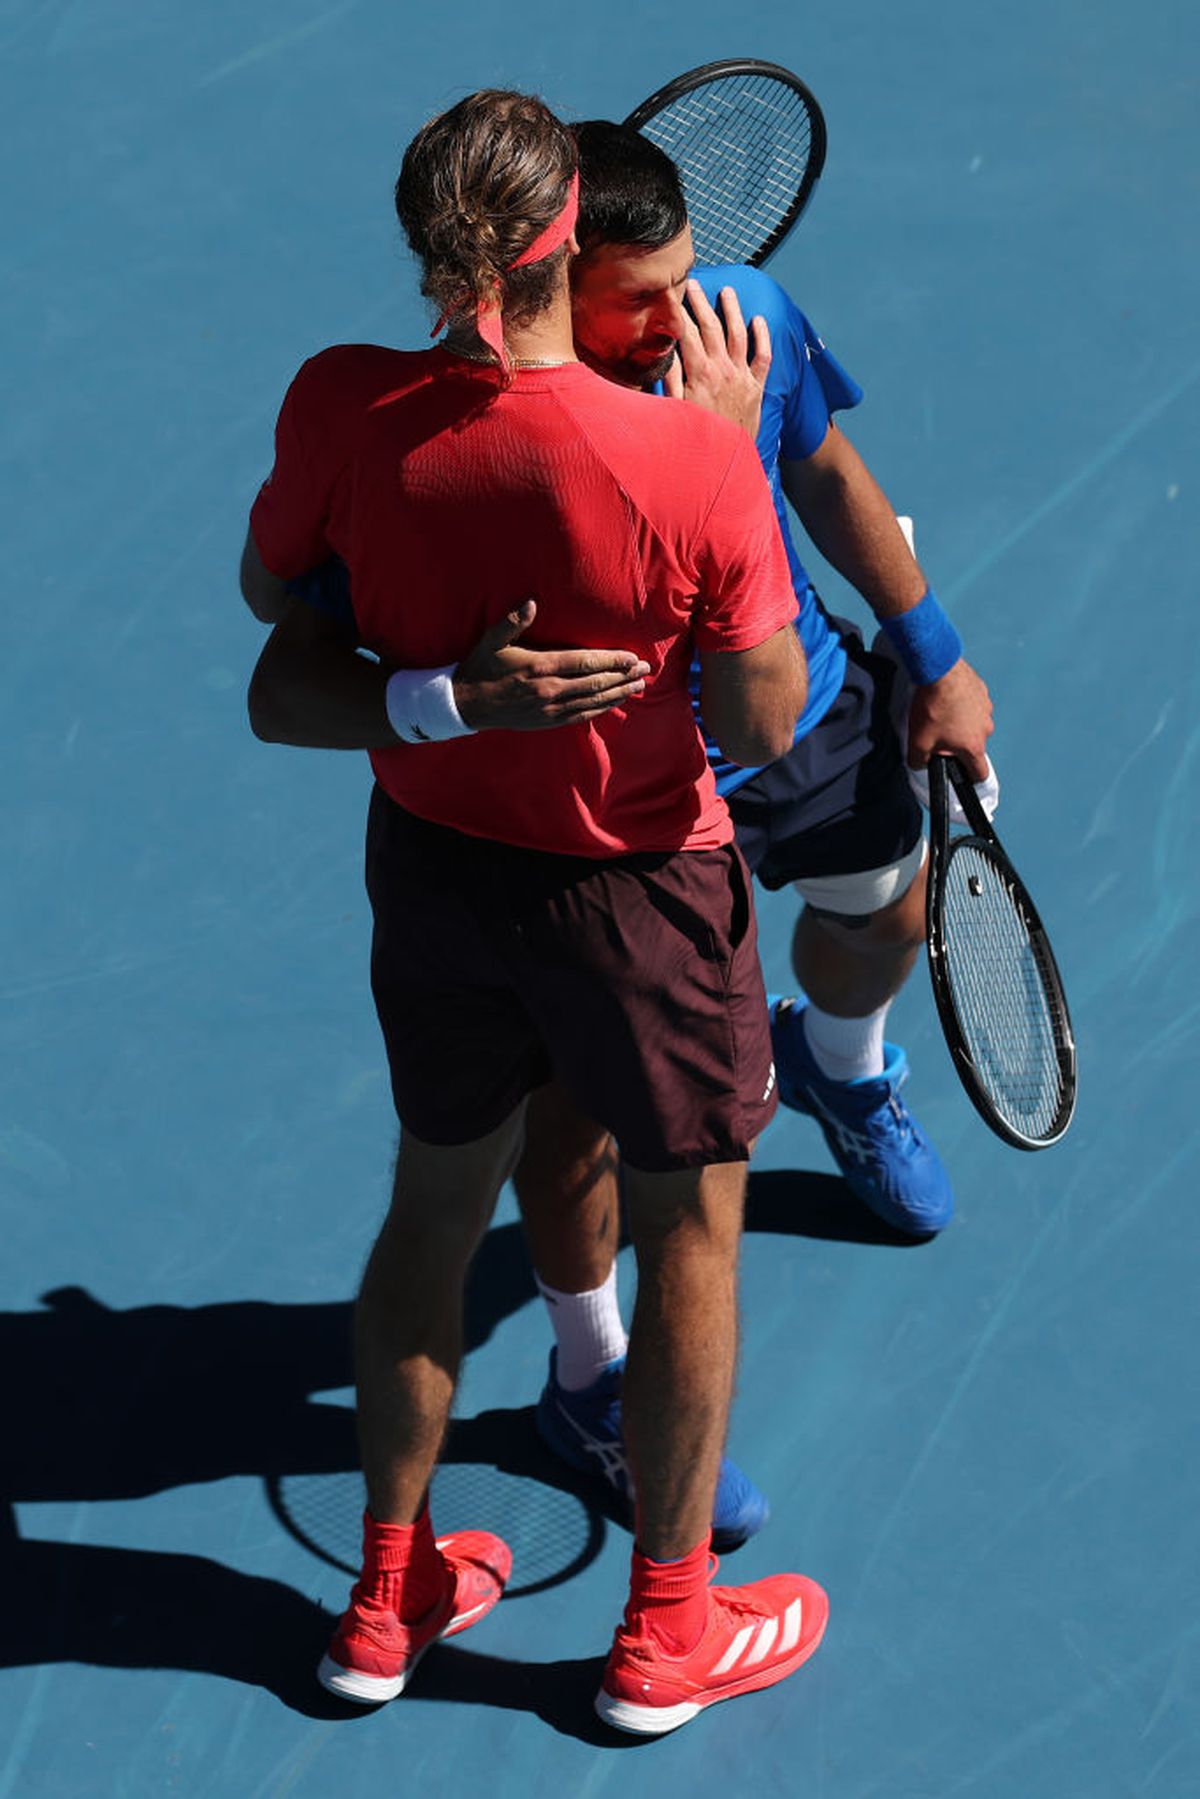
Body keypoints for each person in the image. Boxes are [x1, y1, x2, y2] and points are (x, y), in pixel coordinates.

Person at [250, 120, 994, 1552]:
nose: (684, 321)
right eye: (639, 302)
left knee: (884, 903)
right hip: (632, 826)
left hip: (795, 705)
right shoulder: (479, 437)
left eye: (691, 281)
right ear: (543, 288)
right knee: (574, 1130)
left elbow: (830, 477)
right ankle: (589, 1380)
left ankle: (842, 1072)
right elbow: (297, 635)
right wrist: (689, 460)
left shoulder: (740, 324)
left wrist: (937, 651)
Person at [241, 89, 827, 1735]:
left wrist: (444, 697)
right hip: (641, 895)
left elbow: (276, 639)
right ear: (578, 239)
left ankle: (384, 1599)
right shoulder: (682, 458)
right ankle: (665, 1634)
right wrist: (729, 451)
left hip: (432, 879)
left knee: (433, 1217)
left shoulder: (340, 405)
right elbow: (770, 720)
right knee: (690, 1231)